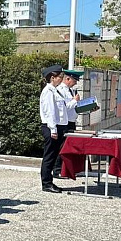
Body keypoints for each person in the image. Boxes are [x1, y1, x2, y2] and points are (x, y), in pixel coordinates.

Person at [39, 64, 68, 193]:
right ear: (52, 77)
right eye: (59, 76)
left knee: (53, 155)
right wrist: (53, 129)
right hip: (51, 127)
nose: (61, 79)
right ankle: (46, 183)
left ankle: (49, 182)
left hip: (57, 127)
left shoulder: (55, 91)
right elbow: (49, 112)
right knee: (49, 156)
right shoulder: (48, 92)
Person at [53, 69, 82, 177]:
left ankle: (66, 169)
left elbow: (74, 107)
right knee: (62, 147)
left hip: (71, 121)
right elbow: (63, 107)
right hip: (64, 122)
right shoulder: (60, 90)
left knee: (68, 147)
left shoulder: (71, 91)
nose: (75, 83)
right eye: (74, 80)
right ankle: (57, 170)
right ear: (68, 79)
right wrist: (74, 101)